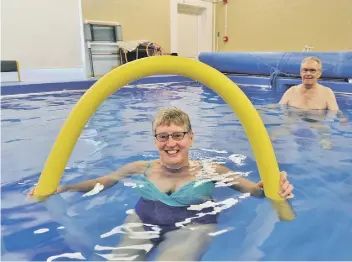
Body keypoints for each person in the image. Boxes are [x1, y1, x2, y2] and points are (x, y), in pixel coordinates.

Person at [28, 108, 294, 261]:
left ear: (190, 138)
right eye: (163, 136)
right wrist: (61, 189)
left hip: (193, 226)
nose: (171, 143)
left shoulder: (211, 169)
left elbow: (254, 192)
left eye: (178, 135)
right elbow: (102, 183)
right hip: (143, 220)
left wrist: (273, 189)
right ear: (155, 140)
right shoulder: (140, 168)